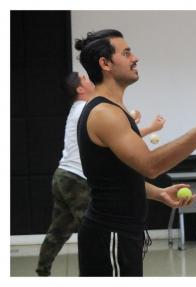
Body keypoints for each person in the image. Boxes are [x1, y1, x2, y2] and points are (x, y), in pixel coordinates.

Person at [74, 29, 196, 276]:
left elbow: (115, 176)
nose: (135, 58)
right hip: (110, 235)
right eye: (126, 53)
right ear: (105, 64)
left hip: (120, 234)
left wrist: (158, 193)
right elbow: (150, 165)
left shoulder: (113, 109)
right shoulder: (104, 113)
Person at [35, 72, 165, 276]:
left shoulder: (78, 110)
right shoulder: (88, 110)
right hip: (76, 178)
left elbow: (118, 135)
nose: (90, 80)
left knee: (59, 230)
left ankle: (42, 272)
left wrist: (130, 122)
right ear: (79, 89)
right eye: (85, 79)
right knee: (94, 232)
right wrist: (151, 127)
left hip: (63, 176)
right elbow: (120, 138)